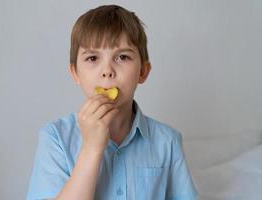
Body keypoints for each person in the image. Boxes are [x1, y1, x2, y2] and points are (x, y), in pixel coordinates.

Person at [27, 4, 198, 200]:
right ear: (75, 73)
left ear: (143, 72)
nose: (107, 71)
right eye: (92, 58)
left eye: (122, 57)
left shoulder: (168, 142)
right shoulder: (55, 138)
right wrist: (91, 148)